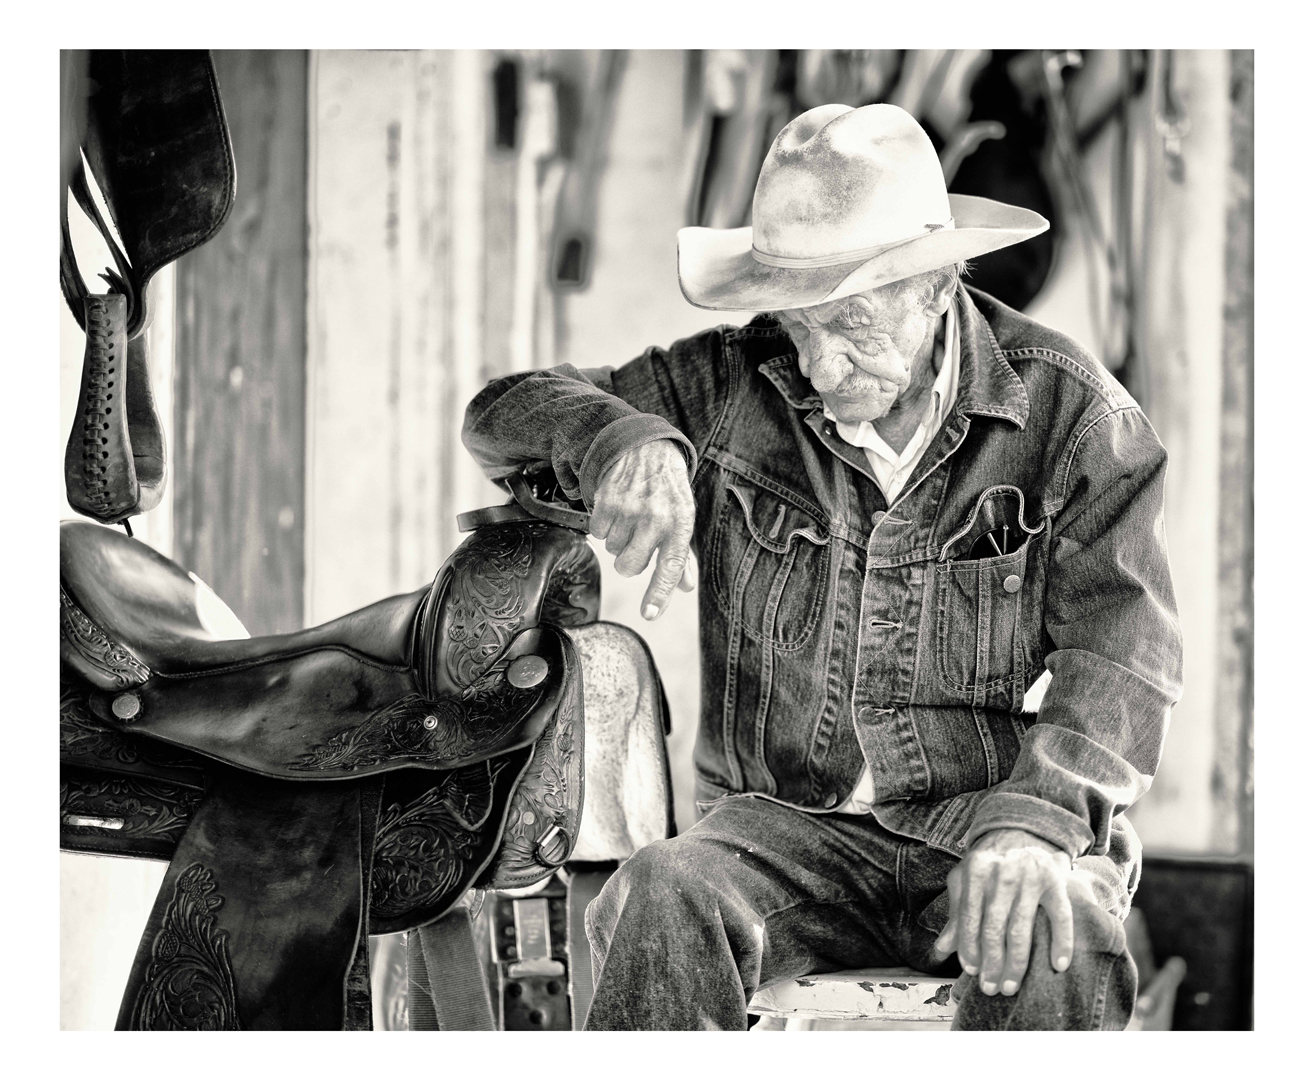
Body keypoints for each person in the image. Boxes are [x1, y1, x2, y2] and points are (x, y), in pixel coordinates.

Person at [462, 103, 1182, 1031]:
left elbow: (1125, 659)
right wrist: (622, 443)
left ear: (935, 285)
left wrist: (1036, 821)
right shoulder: (736, 383)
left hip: (984, 820)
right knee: (665, 889)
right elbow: (502, 413)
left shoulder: (1072, 421)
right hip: (781, 833)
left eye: (848, 327)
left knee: (1060, 931)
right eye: (798, 327)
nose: (822, 368)